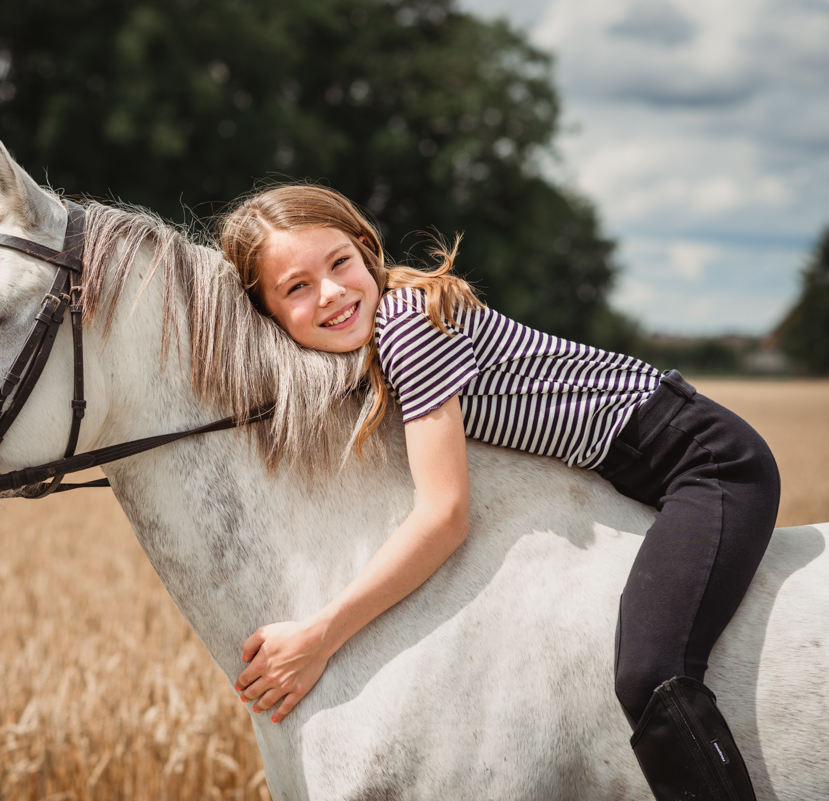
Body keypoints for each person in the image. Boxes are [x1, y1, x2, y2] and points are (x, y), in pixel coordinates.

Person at [220, 184, 780, 801]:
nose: (331, 293)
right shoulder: (376, 340)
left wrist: (320, 634)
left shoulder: (406, 326)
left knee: (650, 671)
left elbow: (445, 514)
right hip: (638, 464)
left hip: (704, 459)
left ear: (364, 248)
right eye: (296, 287)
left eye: (339, 264)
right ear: (267, 313)